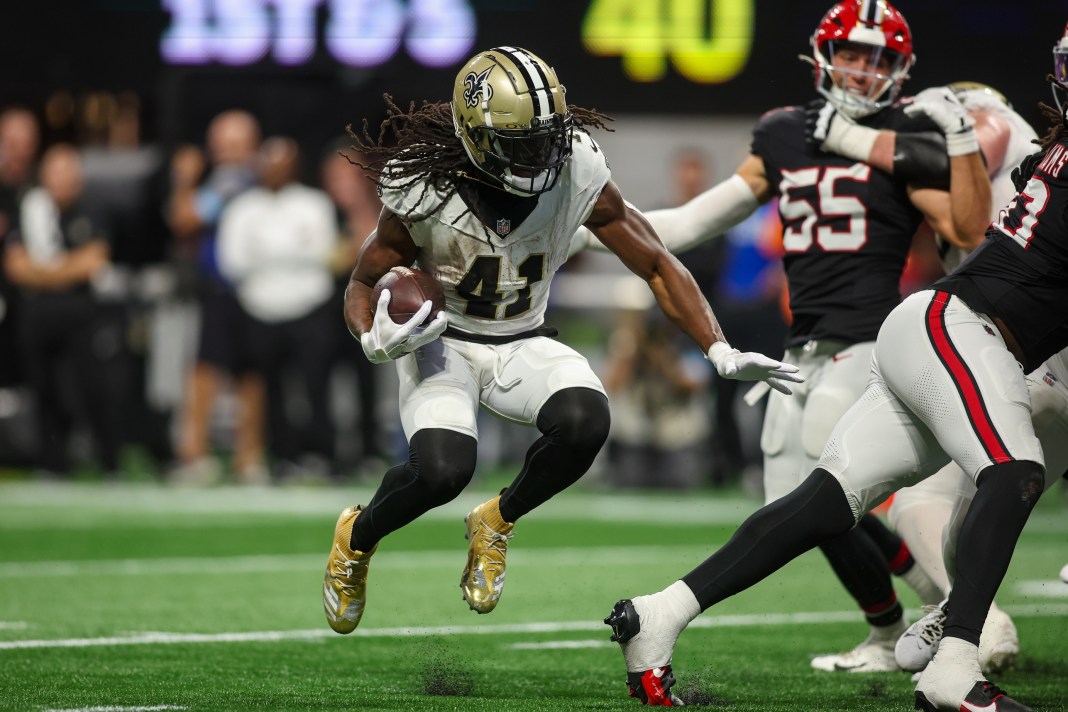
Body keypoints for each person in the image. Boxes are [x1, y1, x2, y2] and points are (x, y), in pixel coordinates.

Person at [602, 59, 1068, 712]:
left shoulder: (1050, 152)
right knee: (1014, 469)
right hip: (963, 331)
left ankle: (659, 615)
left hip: (923, 328)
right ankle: (955, 665)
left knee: (825, 499)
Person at [320, 46, 803, 634]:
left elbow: (655, 259)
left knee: (585, 420)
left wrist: (717, 347)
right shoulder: (427, 182)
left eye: (547, 135)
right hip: (443, 343)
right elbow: (364, 280)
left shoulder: (577, 166)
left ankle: (497, 519)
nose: (541, 152)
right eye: (521, 140)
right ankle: (358, 536)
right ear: (476, 135)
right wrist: (372, 337)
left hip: (522, 337)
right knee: (443, 472)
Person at [576, 0, 992, 672]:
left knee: (819, 491)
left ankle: (957, 609)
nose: (862, 71)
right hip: (803, 350)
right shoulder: (783, 132)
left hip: (870, 343)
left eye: (878, 59)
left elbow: (969, 232)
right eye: (853, 54)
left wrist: (956, 142)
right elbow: (687, 223)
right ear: (826, 55)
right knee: (797, 509)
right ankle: (891, 629)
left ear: (899, 69)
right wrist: (587, 232)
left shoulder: (902, 139)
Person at [818, 80, 1042, 674]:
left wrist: (850, 135)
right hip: (1023, 347)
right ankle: (968, 620)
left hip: (1021, 348)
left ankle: (975, 625)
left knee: (932, 497)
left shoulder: (992, 131)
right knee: (982, 491)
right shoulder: (1040, 151)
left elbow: (972, 210)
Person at [216, 137, 339, 482]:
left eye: (282, 163)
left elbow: (324, 253)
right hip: (259, 310)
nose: (275, 171)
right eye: (269, 163)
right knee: (270, 390)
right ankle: (282, 457)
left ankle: (322, 455)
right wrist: (292, 251)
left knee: (316, 386)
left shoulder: (314, 204)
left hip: (309, 307)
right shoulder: (242, 208)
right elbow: (232, 261)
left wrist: (267, 253)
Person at [2, 144, 120, 475]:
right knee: (44, 390)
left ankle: (110, 461)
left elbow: (94, 261)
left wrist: (45, 273)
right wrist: (66, 270)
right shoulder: (28, 209)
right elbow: (16, 267)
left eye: (70, 173)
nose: (64, 181)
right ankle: (53, 464)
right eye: (57, 173)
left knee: (93, 388)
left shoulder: (93, 209)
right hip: (37, 315)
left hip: (81, 315)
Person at [167, 110, 265, 484]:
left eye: (233, 144)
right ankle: (233, 455)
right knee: (218, 370)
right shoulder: (236, 177)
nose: (225, 152)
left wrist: (184, 180)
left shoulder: (234, 178)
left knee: (240, 373)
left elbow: (184, 217)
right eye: (221, 144)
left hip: (243, 287)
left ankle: (221, 454)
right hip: (224, 288)